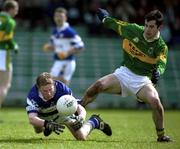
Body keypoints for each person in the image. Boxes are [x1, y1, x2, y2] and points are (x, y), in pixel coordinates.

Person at [81, 8, 172, 142]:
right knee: (97, 86)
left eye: (151, 27)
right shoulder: (134, 29)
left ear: (160, 27)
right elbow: (117, 24)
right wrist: (105, 19)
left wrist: (158, 72)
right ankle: (77, 112)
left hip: (142, 80)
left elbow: (162, 63)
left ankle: (161, 135)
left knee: (156, 103)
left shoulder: (161, 46)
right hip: (124, 73)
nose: (147, 29)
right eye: (146, 25)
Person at [26, 72, 112, 140]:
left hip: (61, 113)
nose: (48, 93)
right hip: (43, 115)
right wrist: (47, 124)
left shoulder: (62, 90)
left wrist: (81, 117)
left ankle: (95, 121)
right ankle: (48, 127)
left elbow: (78, 107)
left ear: (54, 85)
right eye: (45, 91)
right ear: (38, 88)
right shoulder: (33, 95)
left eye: (50, 89)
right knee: (38, 130)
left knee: (81, 137)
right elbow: (32, 118)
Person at [43, 7, 84, 85]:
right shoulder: (55, 30)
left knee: (59, 83)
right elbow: (55, 46)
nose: (58, 18)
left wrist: (67, 53)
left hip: (68, 61)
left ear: (65, 18)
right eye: (56, 16)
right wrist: (49, 47)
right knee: (52, 82)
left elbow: (81, 46)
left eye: (60, 16)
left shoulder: (69, 31)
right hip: (58, 60)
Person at [0, 0, 19, 108]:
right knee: (4, 85)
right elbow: (7, 38)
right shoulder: (10, 21)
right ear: (11, 9)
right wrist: (14, 46)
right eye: (16, 10)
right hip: (2, 52)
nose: (16, 13)